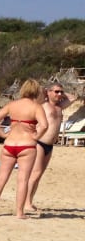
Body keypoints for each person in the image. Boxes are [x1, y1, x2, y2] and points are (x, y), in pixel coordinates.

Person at [0, 79, 47, 219]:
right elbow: (44, 126)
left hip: (9, 144)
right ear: (37, 91)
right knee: (23, 180)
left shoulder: (12, 105)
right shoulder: (36, 107)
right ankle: (19, 212)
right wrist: (36, 136)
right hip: (26, 145)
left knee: (1, 179)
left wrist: (2, 134)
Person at [26, 82, 74, 213]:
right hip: (40, 143)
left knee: (39, 175)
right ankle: (26, 202)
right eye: (56, 92)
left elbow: (74, 97)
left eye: (61, 92)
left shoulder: (60, 107)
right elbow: (39, 93)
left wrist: (61, 92)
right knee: (35, 173)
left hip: (50, 145)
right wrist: (46, 91)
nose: (59, 94)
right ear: (48, 92)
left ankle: (30, 200)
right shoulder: (43, 106)